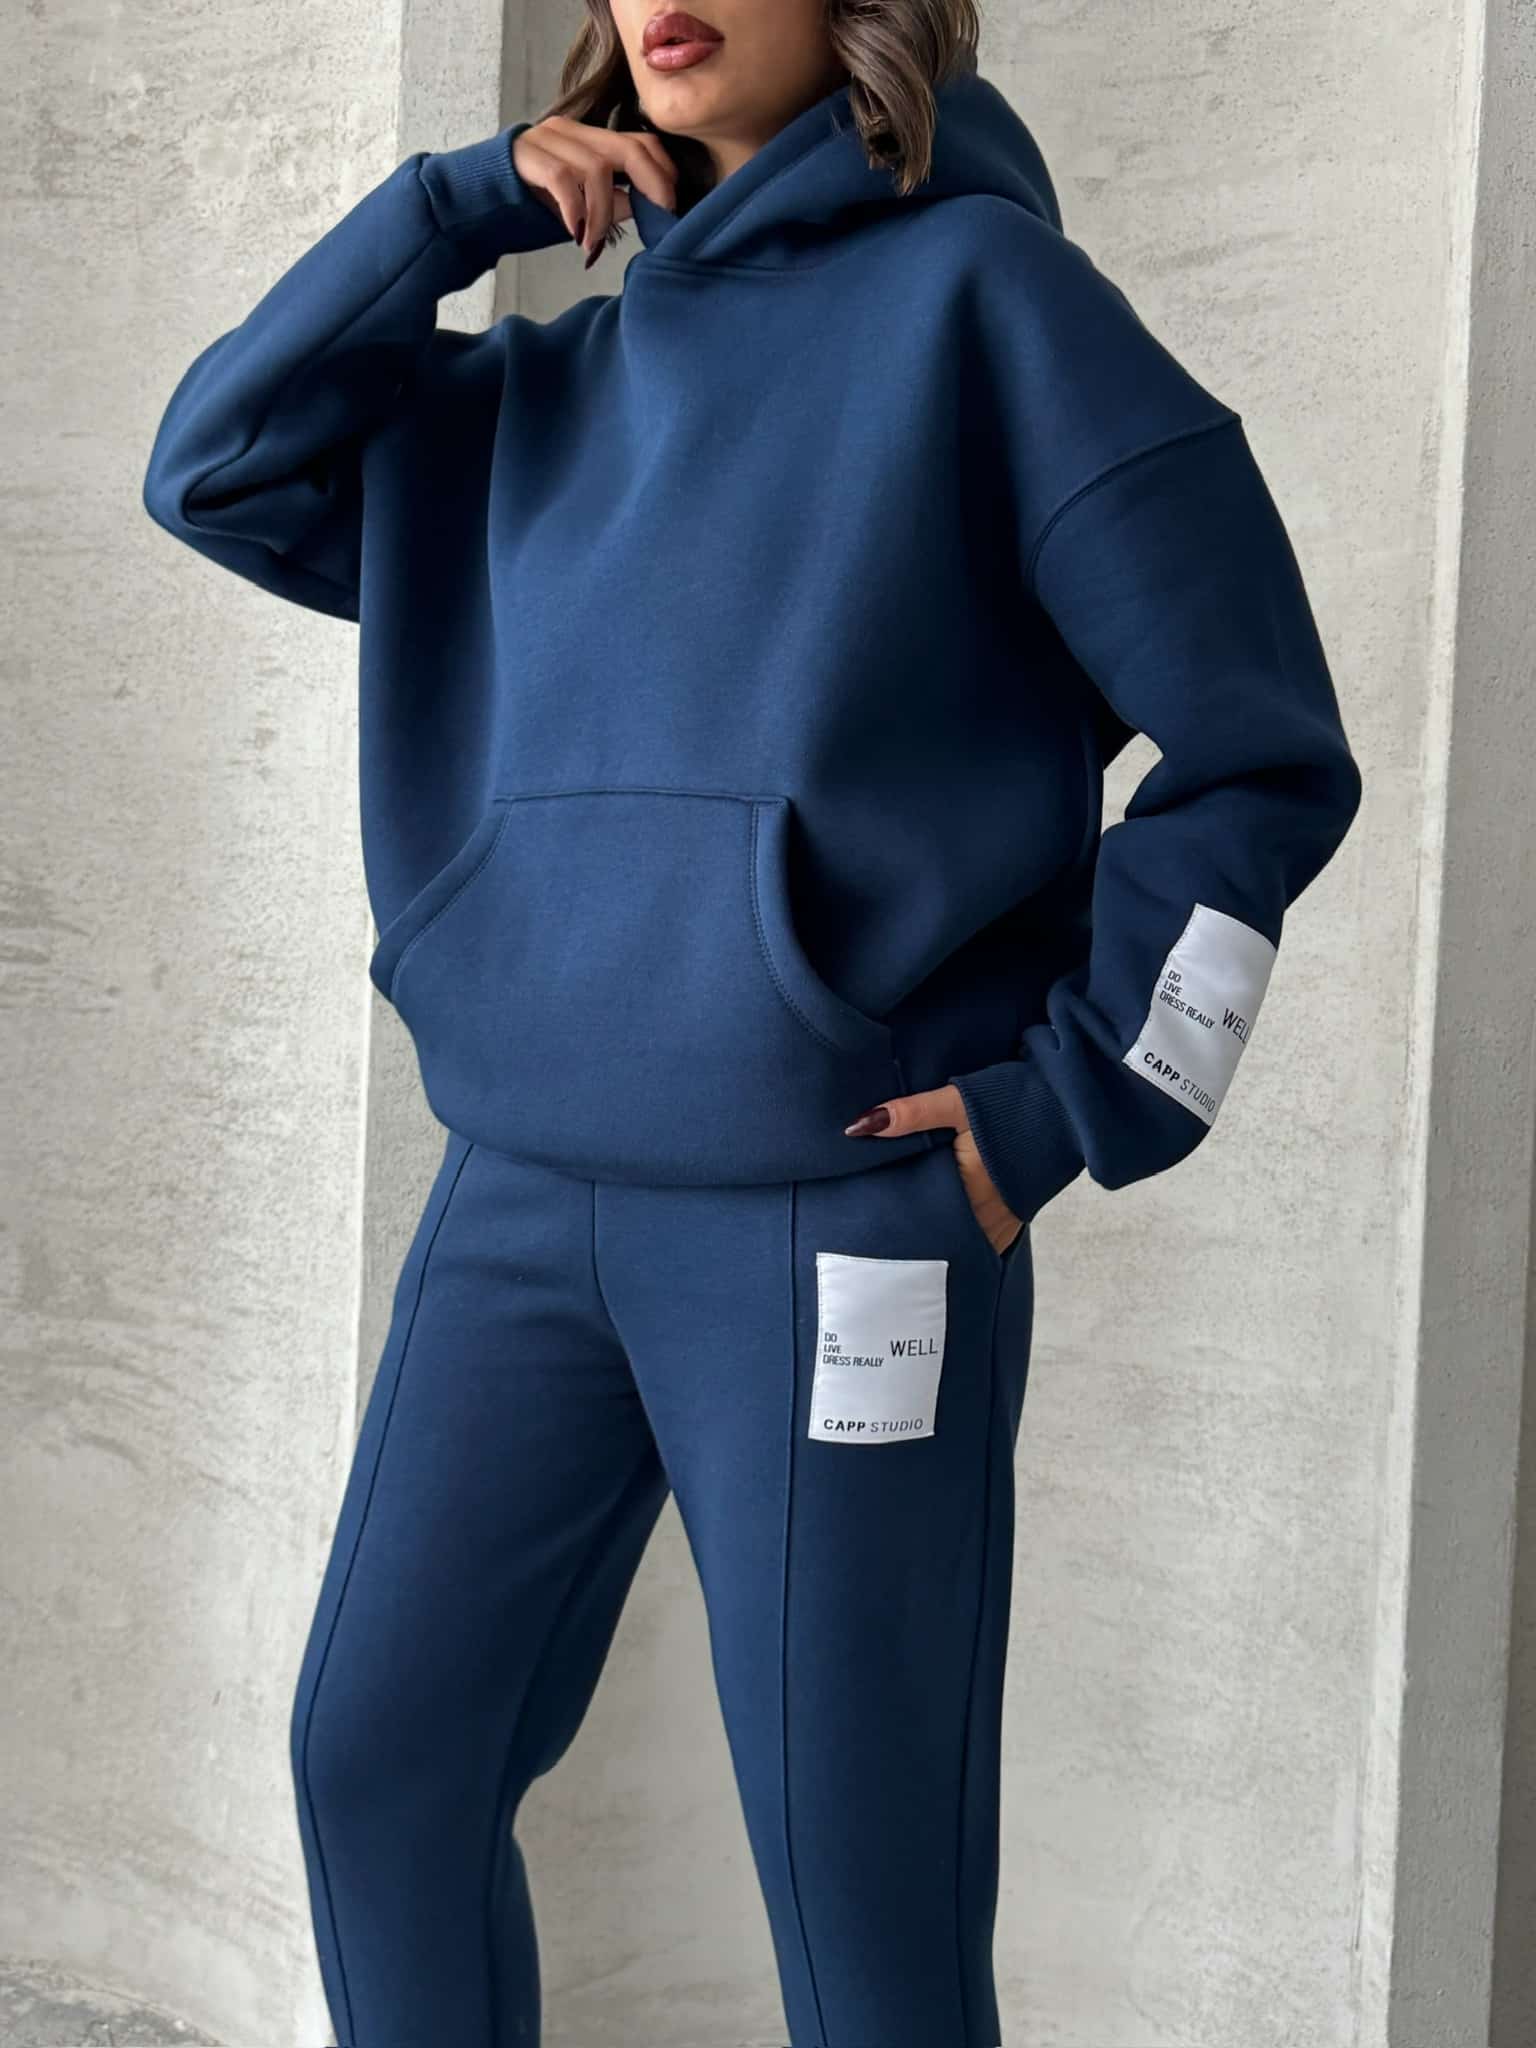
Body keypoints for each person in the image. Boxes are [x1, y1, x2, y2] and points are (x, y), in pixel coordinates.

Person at [140, 1, 1363, 2042]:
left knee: (861, 1901)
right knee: (378, 1762)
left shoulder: (990, 308)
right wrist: (449, 210)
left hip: (840, 1223)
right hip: (516, 1199)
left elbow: (1265, 754)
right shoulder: (533, 394)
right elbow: (213, 471)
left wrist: (1072, 1107)